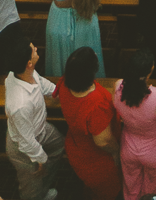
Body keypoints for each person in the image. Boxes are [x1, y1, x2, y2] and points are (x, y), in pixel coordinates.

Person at [55, 45, 120, 199]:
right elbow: (103, 142)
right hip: (97, 162)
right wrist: (117, 152)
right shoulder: (96, 105)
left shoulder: (65, 84)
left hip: (77, 146)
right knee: (108, 193)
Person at [4, 35, 63, 200]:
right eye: (33, 50)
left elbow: (41, 83)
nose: (36, 49)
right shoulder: (19, 105)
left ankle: (45, 186)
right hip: (24, 147)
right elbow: (26, 140)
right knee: (31, 184)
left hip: (41, 129)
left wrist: (57, 92)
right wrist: (40, 159)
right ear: (29, 63)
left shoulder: (23, 72)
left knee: (58, 146)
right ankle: (39, 194)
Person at [112, 46, 156, 200]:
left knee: (131, 188)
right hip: (155, 150)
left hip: (129, 147)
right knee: (155, 191)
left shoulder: (118, 87)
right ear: (151, 70)